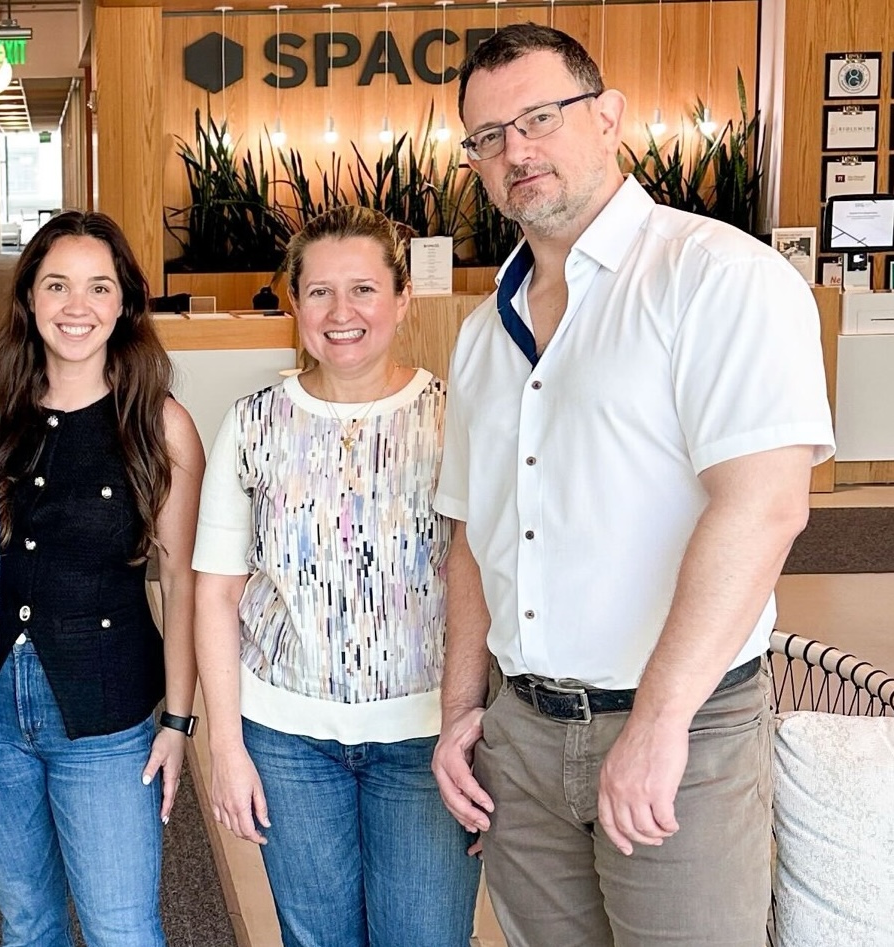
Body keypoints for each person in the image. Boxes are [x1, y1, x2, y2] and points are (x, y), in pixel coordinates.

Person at [430, 24, 835, 947]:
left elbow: (764, 505)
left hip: (680, 730)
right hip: (520, 738)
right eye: (488, 136)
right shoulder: (484, 333)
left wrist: (657, 721)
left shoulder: (716, 277)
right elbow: (471, 538)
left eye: (539, 117)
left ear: (607, 117)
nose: (515, 150)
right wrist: (462, 714)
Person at [193, 205, 481, 947]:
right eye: (319, 291)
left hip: (427, 739)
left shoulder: (454, 419)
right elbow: (215, 592)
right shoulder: (252, 422)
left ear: (402, 299)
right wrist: (225, 747)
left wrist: (483, 727)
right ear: (293, 301)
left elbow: (482, 582)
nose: (341, 312)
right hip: (286, 740)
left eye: (363, 289)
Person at [0, 211, 205, 946]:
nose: (77, 306)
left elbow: (182, 586)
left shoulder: (160, 425)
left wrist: (178, 723)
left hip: (106, 715)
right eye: (57, 284)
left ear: (124, 302)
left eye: (99, 287)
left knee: (120, 928)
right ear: (29, 297)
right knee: (26, 920)